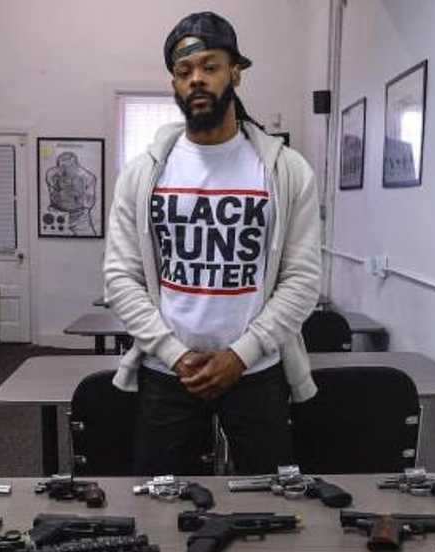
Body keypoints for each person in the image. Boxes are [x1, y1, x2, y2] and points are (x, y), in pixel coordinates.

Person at [103, 11, 321, 475]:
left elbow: (302, 280)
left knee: (268, 499)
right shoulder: (142, 175)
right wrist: (175, 354)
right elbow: (120, 278)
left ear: (236, 72)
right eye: (184, 71)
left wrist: (241, 355)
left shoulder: (286, 172)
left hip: (256, 370)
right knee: (159, 501)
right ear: (174, 84)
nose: (196, 79)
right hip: (169, 373)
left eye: (210, 66)